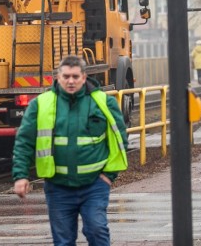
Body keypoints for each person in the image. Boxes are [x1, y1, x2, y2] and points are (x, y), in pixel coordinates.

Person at [12, 55, 128, 246]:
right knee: (63, 241)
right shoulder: (40, 104)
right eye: (66, 76)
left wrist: (109, 175)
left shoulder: (103, 103)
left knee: (97, 230)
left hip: (94, 184)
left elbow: (120, 139)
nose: (71, 81)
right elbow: (24, 141)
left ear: (84, 77)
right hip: (58, 186)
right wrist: (21, 176)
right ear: (58, 77)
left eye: (75, 76)